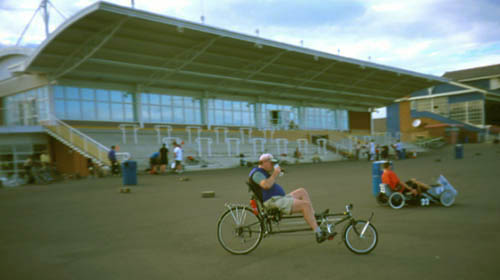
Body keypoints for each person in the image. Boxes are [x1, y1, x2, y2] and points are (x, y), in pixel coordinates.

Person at [249, 153, 335, 243]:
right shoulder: (257, 174)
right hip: (273, 201)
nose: (273, 165)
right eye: (272, 163)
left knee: (302, 191)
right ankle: (318, 233)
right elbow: (266, 185)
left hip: (278, 199)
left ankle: (313, 218)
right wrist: (274, 174)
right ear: (264, 162)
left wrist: (275, 173)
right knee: (305, 205)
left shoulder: (262, 172)